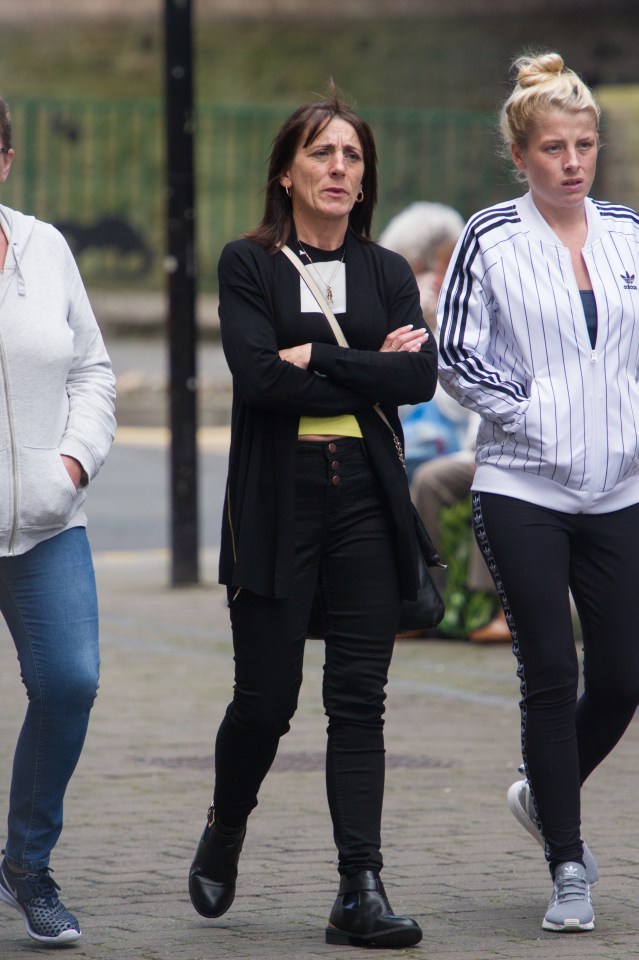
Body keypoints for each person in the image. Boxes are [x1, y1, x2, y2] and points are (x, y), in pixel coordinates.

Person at [188, 84, 437, 949]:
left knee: (358, 700)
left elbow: (417, 381)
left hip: (366, 497)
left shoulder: (386, 271)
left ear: (365, 179)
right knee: (265, 701)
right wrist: (365, 360)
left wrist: (323, 355)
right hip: (275, 500)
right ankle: (225, 824)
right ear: (286, 172)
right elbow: (260, 380)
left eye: (352, 156)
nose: (339, 168)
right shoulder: (247, 263)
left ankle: (357, 890)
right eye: (322, 153)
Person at [438, 51, 639, 933]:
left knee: (623, 676)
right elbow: (454, 352)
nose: (571, 161)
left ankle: (537, 790)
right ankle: (567, 862)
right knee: (550, 672)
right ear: (519, 155)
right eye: (553, 147)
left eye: (584, 144)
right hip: (522, 483)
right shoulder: (490, 236)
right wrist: (527, 409)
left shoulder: (629, 231)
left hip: (619, 488)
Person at [0, 98, 116, 945]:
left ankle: (26, 863)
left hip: (46, 521)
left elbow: (93, 370)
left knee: (70, 681)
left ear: (5, 159)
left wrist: (71, 463)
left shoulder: (45, 247)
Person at [379, 203, 509, 641]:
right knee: (423, 478)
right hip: (453, 439)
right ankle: (426, 598)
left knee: (486, 477)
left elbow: (458, 399)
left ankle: (489, 606)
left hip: (492, 438)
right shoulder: (418, 298)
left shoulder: (478, 295)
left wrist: (436, 323)